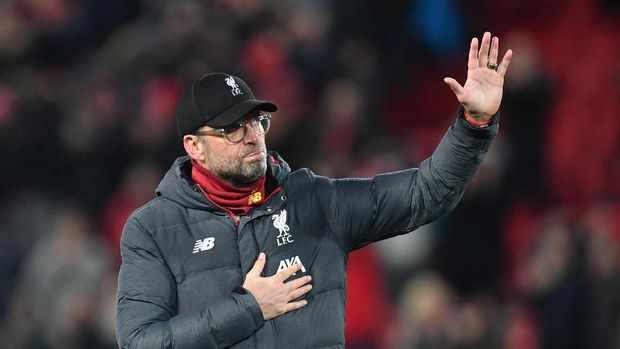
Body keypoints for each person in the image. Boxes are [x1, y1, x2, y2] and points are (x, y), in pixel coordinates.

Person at [116, 32, 512, 348]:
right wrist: (249, 308)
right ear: (193, 146)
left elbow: (426, 192)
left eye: (256, 122)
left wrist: (474, 124)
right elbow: (139, 342)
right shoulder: (153, 228)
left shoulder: (316, 201)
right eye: (231, 129)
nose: (251, 136)